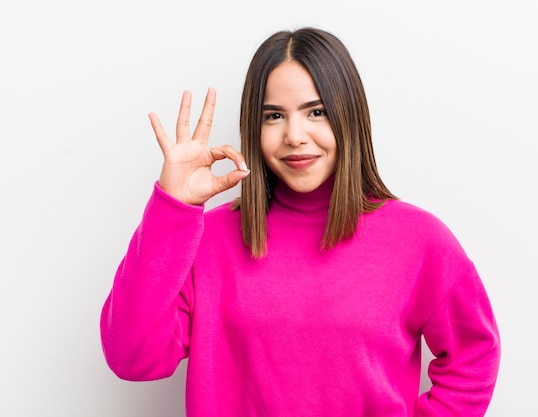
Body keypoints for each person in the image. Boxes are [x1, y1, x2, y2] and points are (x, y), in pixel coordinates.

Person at [100, 27, 500, 417]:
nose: (295, 135)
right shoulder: (208, 240)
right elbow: (132, 358)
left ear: (349, 117)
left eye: (317, 112)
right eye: (274, 115)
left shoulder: (420, 240)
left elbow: (474, 354)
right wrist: (173, 209)